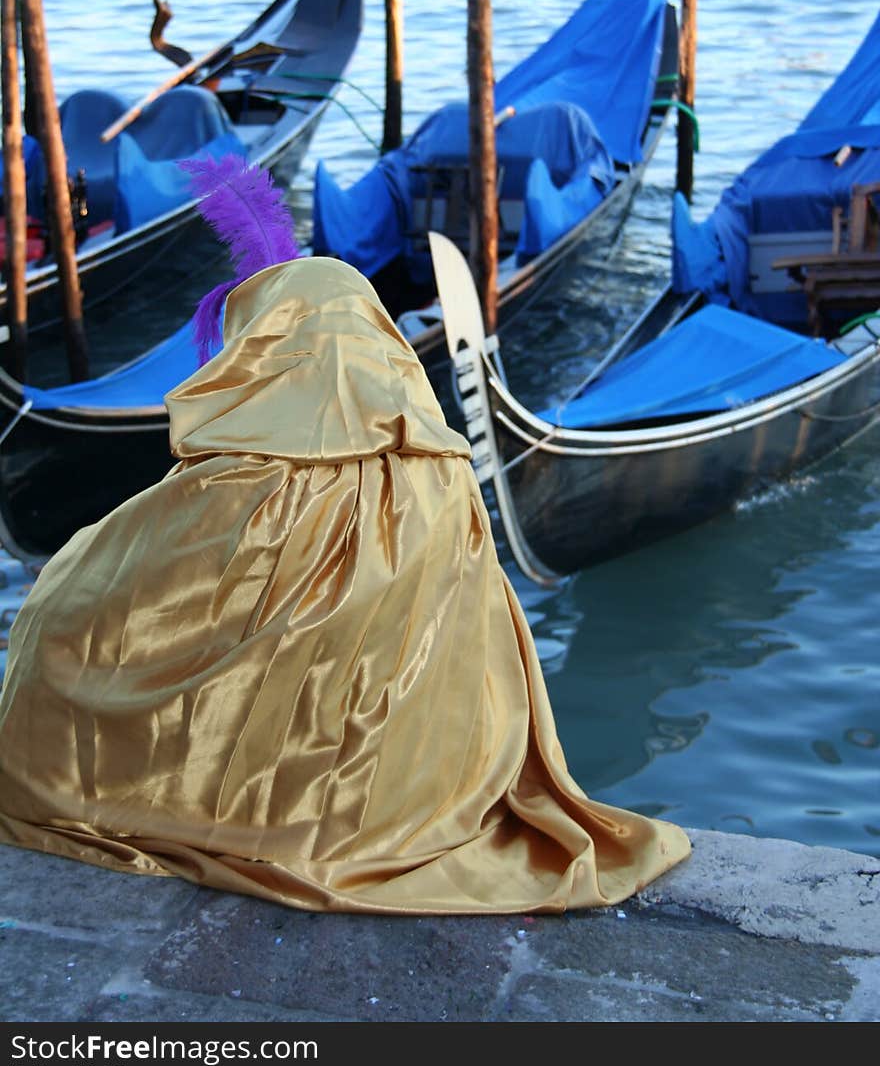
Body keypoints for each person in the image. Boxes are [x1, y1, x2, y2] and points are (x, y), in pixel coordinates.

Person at [0, 255, 690, 914]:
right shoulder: (446, 469)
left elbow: (122, 591)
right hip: (410, 774)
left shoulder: (237, 477)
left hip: (283, 765)